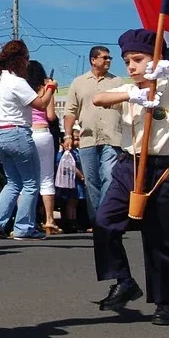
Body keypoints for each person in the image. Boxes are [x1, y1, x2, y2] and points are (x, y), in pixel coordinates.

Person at [91, 29, 169, 326]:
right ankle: (123, 279)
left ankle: (165, 302)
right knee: (105, 222)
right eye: (127, 60)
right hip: (128, 165)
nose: (130, 66)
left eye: (138, 59)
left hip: (161, 168)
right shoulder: (130, 89)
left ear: (154, 59)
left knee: (160, 239)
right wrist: (132, 93)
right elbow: (99, 99)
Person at [0, 40, 58, 240]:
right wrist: (51, 87)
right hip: (17, 134)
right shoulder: (17, 82)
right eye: (26, 58)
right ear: (19, 60)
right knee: (31, 182)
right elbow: (41, 105)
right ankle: (24, 228)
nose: (28, 63)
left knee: (13, 181)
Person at [63, 46, 123, 222]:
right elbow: (70, 111)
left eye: (109, 58)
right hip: (87, 139)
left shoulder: (118, 82)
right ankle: (96, 219)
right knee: (90, 181)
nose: (108, 61)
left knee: (109, 175)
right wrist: (67, 135)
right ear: (93, 60)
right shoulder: (78, 83)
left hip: (113, 138)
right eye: (104, 58)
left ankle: (105, 218)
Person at [27, 60, 61, 235]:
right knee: (46, 178)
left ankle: (27, 219)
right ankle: (49, 220)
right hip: (43, 133)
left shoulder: (22, 88)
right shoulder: (46, 88)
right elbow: (51, 115)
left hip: (26, 134)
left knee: (26, 180)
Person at [56, 129, 87, 233]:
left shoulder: (77, 152)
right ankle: (70, 222)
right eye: (75, 140)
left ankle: (75, 220)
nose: (77, 142)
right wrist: (81, 175)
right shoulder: (67, 153)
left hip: (77, 182)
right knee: (70, 202)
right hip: (71, 181)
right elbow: (71, 166)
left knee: (75, 202)